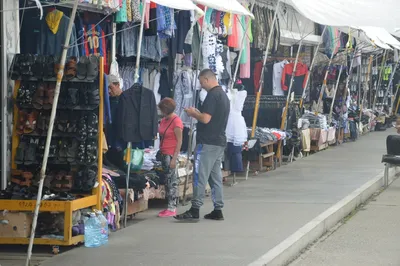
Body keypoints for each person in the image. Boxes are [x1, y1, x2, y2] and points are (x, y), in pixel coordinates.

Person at [175, 69, 230, 221]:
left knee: (200, 175)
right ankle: (218, 209)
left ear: (206, 79)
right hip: (218, 141)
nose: (200, 85)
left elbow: (205, 119)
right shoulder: (223, 95)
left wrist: (193, 114)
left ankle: (195, 208)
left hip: (207, 142)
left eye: (201, 81)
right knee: (214, 177)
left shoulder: (212, 95)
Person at [157, 98, 183, 217]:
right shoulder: (164, 120)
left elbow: (179, 141)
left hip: (171, 154)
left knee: (172, 181)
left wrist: (174, 158)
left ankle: (172, 207)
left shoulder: (176, 122)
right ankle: (169, 206)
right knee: (167, 180)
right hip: (164, 153)